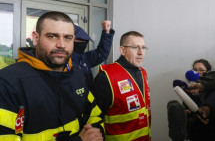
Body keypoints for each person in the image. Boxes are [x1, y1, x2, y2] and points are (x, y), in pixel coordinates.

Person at [0, 11, 104, 141]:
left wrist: (97, 133)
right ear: (36, 38)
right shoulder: (8, 81)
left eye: (68, 38)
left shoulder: (77, 75)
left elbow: (95, 115)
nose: (61, 44)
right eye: (52, 36)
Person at [92, 31, 151, 141]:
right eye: (135, 48)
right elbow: (94, 119)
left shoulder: (143, 73)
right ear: (122, 50)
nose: (140, 52)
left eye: (143, 48)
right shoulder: (106, 76)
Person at [72, 20, 114, 85]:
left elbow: (102, 52)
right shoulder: (62, 59)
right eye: (79, 39)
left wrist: (106, 32)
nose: (83, 42)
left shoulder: (85, 58)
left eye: (85, 40)